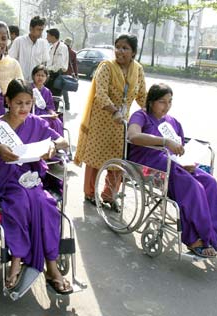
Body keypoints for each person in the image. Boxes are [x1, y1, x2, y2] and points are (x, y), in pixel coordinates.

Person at [0, 78, 73, 294]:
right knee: (18, 203)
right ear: (8, 101)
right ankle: (17, 260)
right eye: (19, 103)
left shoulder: (37, 123)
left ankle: (52, 265)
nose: (24, 108)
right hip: (5, 179)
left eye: (28, 103)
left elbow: (63, 141)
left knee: (46, 204)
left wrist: (52, 144)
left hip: (29, 177)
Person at [127, 83, 217, 257]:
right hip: (149, 162)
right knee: (193, 187)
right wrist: (164, 141)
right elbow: (133, 136)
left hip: (174, 163)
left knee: (209, 181)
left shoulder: (172, 122)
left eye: (170, 101)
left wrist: (188, 160)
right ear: (151, 102)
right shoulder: (140, 116)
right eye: (162, 102)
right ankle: (196, 239)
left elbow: (181, 147)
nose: (167, 106)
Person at [74, 33, 146, 207]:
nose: (120, 51)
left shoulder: (138, 70)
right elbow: (101, 94)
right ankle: (90, 193)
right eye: (118, 47)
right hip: (102, 120)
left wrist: (153, 112)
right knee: (95, 158)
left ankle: (109, 195)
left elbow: (142, 95)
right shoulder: (106, 66)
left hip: (122, 124)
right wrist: (114, 111)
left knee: (118, 160)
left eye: (125, 48)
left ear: (134, 52)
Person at [8, 16, 50, 82]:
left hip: (35, 82)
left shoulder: (43, 43)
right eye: (38, 29)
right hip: (20, 81)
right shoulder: (19, 41)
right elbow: (11, 60)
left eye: (42, 30)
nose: (41, 32)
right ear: (31, 28)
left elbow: (44, 63)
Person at [31, 65, 63, 136]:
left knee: (57, 122)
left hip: (44, 113)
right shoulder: (28, 88)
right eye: (38, 75)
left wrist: (52, 113)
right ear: (33, 76)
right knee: (43, 122)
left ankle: (56, 142)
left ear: (46, 77)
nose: (40, 77)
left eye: (43, 76)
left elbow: (50, 107)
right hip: (30, 112)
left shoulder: (47, 91)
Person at [45, 28, 69, 100]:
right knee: (48, 97)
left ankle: (54, 111)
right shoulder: (52, 47)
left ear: (53, 37)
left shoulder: (62, 47)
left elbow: (59, 64)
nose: (46, 38)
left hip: (57, 75)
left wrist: (47, 68)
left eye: (48, 36)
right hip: (50, 75)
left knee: (55, 98)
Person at [62, 37, 78, 111]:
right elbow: (75, 65)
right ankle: (66, 104)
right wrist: (76, 74)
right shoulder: (73, 53)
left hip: (61, 71)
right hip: (69, 73)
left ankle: (67, 105)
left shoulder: (62, 50)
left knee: (63, 89)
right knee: (64, 89)